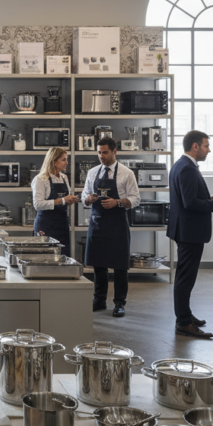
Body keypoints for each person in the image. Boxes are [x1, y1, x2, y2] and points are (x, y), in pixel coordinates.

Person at [168, 130, 213, 339]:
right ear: (195, 146)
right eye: (206, 146)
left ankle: (185, 315)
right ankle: (184, 322)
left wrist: (209, 197)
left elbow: (190, 197)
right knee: (185, 278)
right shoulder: (187, 168)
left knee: (185, 276)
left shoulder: (181, 165)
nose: (208, 150)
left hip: (186, 230)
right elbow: (190, 203)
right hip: (190, 232)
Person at [82, 136, 140, 318]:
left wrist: (118, 202)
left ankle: (119, 303)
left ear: (115, 151)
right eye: (99, 152)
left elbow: (136, 199)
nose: (101, 156)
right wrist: (88, 199)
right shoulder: (92, 173)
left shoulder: (126, 173)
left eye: (105, 152)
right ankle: (99, 300)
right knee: (99, 265)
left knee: (120, 266)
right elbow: (84, 195)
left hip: (117, 224)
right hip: (97, 222)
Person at [31, 146, 80, 249]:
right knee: (45, 257)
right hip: (45, 225)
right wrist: (62, 200)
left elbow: (66, 198)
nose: (66, 162)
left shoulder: (64, 177)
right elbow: (38, 205)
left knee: (63, 256)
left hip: (62, 224)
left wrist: (72, 200)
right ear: (53, 161)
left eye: (67, 159)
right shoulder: (40, 179)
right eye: (63, 160)